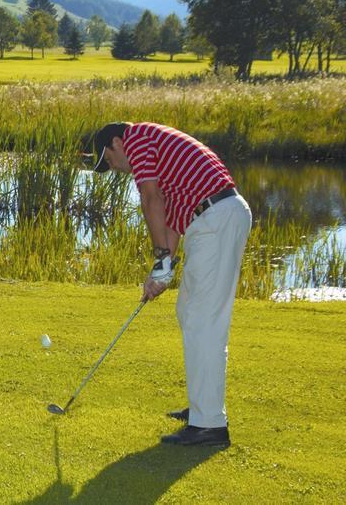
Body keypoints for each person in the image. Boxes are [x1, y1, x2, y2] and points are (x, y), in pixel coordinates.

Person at [88, 122, 251, 447]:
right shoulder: (162, 155)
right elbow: (172, 221)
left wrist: (162, 259)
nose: (115, 168)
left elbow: (150, 200)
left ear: (117, 143)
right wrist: (162, 270)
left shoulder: (139, 140)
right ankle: (203, 410)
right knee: (191, 313)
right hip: (211, 218)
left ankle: (209, 426)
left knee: (204, 321)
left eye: (109, 159)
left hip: (216, 219)